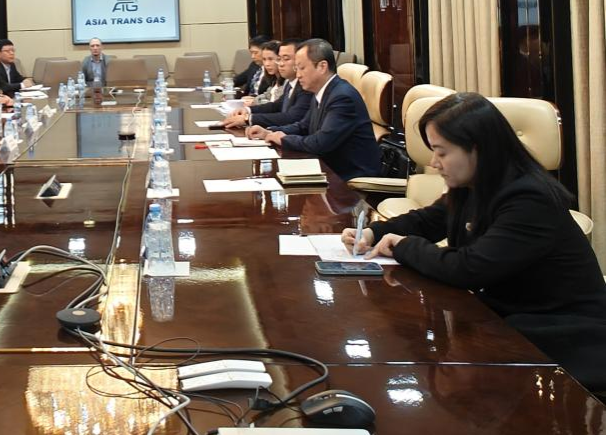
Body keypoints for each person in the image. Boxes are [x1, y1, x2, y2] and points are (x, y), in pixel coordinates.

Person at [344, 93, 606, 395]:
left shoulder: (529, 198)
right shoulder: (476, 184)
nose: (434, 163)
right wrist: (374, 233)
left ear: (477, 149)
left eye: (441, 152)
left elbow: (469, 268)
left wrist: (403, 246)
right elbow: (429, 220)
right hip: (511, 322)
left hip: (564, 337)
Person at [247, 38, 380, 180]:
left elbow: (320, 143)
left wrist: (284, 139)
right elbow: (303, 126)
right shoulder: (323, 90)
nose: (298, 75)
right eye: (296, 69)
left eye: (302, 68)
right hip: (327, 169)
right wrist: (269, 132)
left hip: (348, 178)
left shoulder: (342, 97)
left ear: (322, 67)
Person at [225, 39, 311, 129]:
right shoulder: (290, 83)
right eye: (279, 59)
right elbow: (276, 106)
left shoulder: (305, 86)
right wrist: (248, 110)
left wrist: (249, 119)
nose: (281, 64)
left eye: (286, 59)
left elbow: (291, 118)